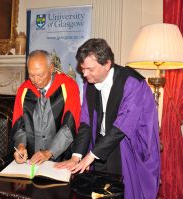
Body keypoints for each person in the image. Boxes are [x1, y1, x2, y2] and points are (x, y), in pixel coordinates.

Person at [56, 38, 161, 199]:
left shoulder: (133, 83)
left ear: (107, 64)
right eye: (83, 69)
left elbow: (123, 126)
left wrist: (90, 156)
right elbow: (86, 123)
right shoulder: (89, 83)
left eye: (89, 69)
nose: (84, 74)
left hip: (126, 147)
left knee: (121, 193)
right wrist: (76, 156)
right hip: (98, 146)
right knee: (94, 192)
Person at [12, 50, 81, 165]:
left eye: (40, 75)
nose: (36, 80)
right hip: (31, 159)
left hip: (60, 158)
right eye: (31, 75)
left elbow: (70, 125)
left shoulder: (68, 86)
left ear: (51, 68)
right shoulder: (24, 90)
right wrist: (20, 145)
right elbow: (19, 124)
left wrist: (49, 152)